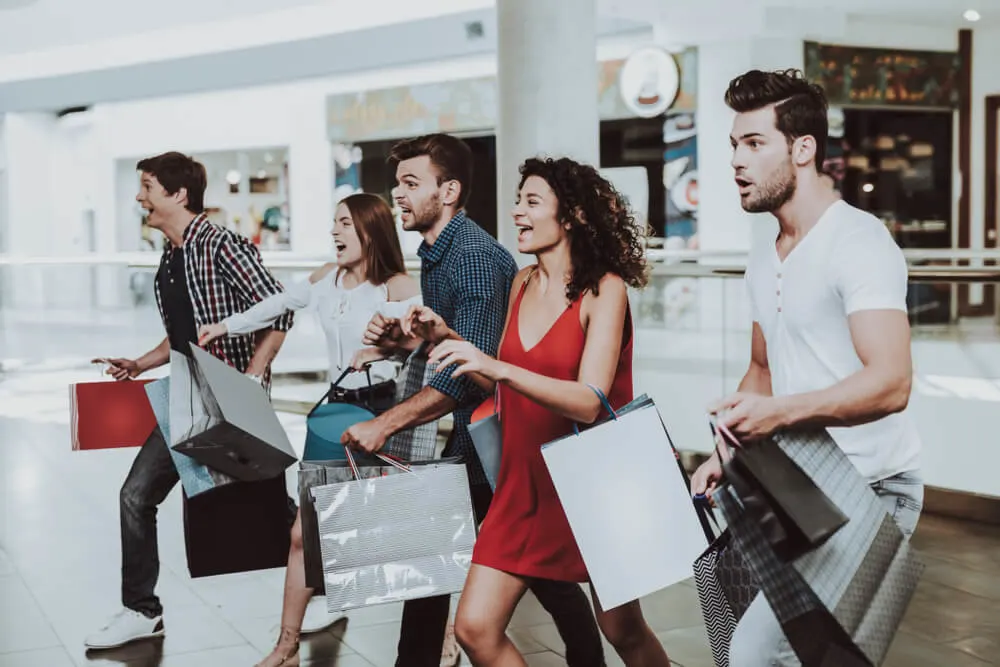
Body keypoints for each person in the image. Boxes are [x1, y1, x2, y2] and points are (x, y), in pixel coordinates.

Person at [345, 134, 608, 667]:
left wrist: (386, 424)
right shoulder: (444, 255)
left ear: (449, 191)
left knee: (520, 573)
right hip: (489, 437)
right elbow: (472, 351)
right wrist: (415, 338)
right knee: (510, 573)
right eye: (398, 183)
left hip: (495, 442)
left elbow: (475, 374)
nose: (398, 194)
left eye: (411, 183)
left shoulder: (474, 261)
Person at [690, 69, 923, 666]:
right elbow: (762, 369)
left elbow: (892, 381)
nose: (736, 161)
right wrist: (725, 451)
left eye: (754, 143)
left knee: (755, 654)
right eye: (733, 146)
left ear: (802, 149)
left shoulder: (858, 242)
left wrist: (779, 415)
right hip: (801, 490)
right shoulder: (763, 259)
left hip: (872, 492)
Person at [401, 156, 671, 667]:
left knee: (623, 630)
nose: (517, 212)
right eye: (517, 200)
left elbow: (590, 401)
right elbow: (503, 386)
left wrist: (498, 368)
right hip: (524, 482)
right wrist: (449, 340)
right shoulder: (522, 282)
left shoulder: (604, 289)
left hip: (593, 487)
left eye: (531, 202)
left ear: (569, 217)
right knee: (475, 628)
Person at [197, 193, 421, 667]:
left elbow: (420, 340)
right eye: (333, 224)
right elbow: (275, 305)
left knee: (397, 533)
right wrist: (225, 326)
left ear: (370, 229)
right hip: (332, 418)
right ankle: (286, 646)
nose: (335, 233)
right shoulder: (326, 281)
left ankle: (437, 631)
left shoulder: (397, 287)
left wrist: (386, 350)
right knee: (303, 534)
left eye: (345, 224)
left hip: (383, 418)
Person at [85, 151, 294, 650]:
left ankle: (321, 587)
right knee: (137, 496)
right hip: (188, 398)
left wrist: (249, 379)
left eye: (148, 187)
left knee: (267, 505)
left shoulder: (221, 245)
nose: (140, 197)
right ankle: (142, 609)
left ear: (179, 194)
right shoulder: (171, 255)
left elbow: (280, 311)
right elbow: (177, 336)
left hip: (228, 402)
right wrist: (139, 364)